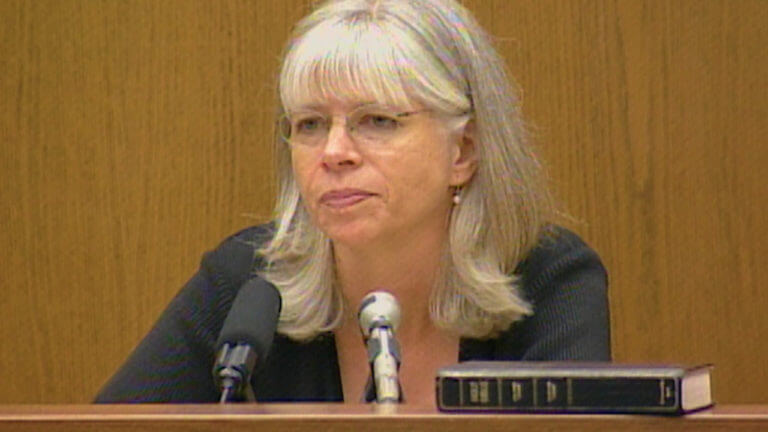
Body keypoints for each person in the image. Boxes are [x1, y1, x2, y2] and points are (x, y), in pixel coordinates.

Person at [94, 0, 610, 405]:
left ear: (464, 152)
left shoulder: (547, 281)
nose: (334, 153)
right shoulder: (249, 285)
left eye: (377, 120)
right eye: (310, 125)